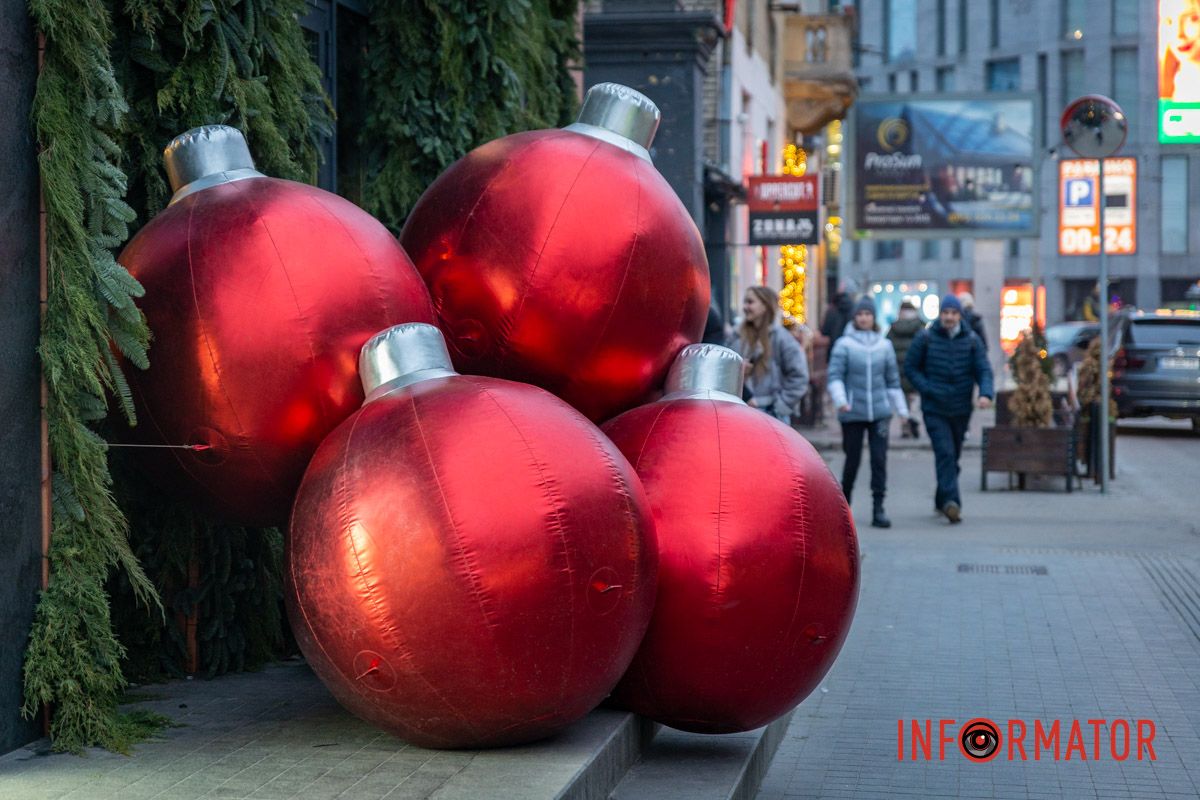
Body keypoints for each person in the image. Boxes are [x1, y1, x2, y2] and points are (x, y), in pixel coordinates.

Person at [903, 294, 994, 524]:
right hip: (934, 408)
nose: (949, 317)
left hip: (961, 409)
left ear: (959, 316)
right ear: (940, 314)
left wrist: (985, 393)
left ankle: (940, 497)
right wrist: (927, 388)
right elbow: (910, 368)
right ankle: (952, 502)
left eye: (953, 313)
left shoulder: (972, 340)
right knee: (945, 452)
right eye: (945, 313)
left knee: (953, 457)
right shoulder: (926, 337)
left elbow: (983, 369)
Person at [827, 297, 908, 528]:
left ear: (874, 318)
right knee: (852, 460)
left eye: (868, 314)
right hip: (852, 411)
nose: (864, 318)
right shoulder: (844, 345)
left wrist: (902, 410)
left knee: (879, 460)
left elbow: (892, 381)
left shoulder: (884, 346)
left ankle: (878, 508)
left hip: (880, 413)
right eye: (860, 314)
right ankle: (844, 508)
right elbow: (835, 377)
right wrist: (841, 401)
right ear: (855, 317)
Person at [728, 286, 809, 425]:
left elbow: (799, 376)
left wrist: (779, 407)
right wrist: (739, 371)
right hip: (738, 413)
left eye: (750, 302)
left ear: (765, 306)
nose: (745, 307)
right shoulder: (736, 336)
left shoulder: (782, 339)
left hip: (772, 416)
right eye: (745, 302)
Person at [886, 300, 924, 439]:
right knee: (914, 399)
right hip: (916, 370)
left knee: (902, 400)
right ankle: (914, 419)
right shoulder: (920, 327)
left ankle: (905, 427)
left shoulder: (893, 328)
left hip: (898, 370)